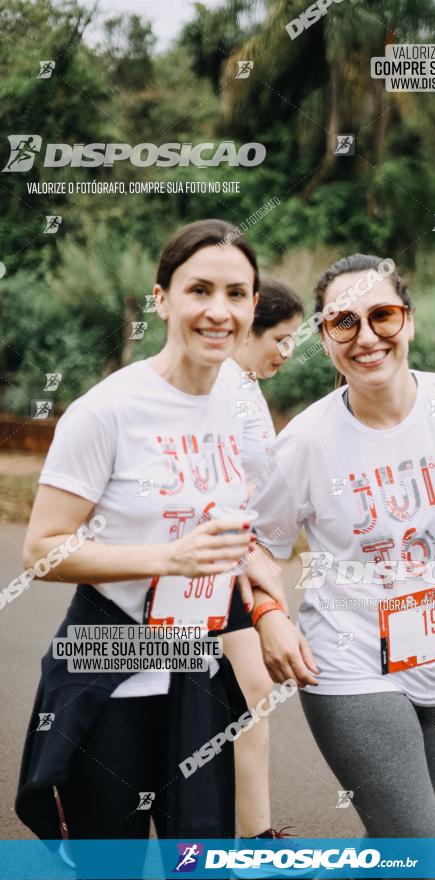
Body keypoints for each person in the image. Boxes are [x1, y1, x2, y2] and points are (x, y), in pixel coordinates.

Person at [247, 253, 435, 844]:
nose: (366, 337)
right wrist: (269, 616)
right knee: (421, 850)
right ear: (325, 337)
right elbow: (257, 544)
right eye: (344, 322)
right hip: (347, 661)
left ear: (407, 320)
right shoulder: (306, 441)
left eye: (382, 315)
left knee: (399, 851)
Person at [15, 219, 284, 870]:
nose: (218, 311)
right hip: (109, 660)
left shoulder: (242, 403)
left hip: (196, 664)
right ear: (160, 299)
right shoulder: (108, 410)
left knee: (200, 856)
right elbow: (41, 550)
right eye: (199, 290)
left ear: (252, 305)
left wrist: (271, 614)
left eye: (236, 294)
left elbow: (242, 532)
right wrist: (168, 557)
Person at [215, 278, 304, 838]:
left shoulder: (244, 384)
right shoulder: (221, 383)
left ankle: (252, 836)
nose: (289, 352)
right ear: (250, 326)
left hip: (234, 559)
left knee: (247, 692)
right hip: (211, 561)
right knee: (249, 688)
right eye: (283, 337)